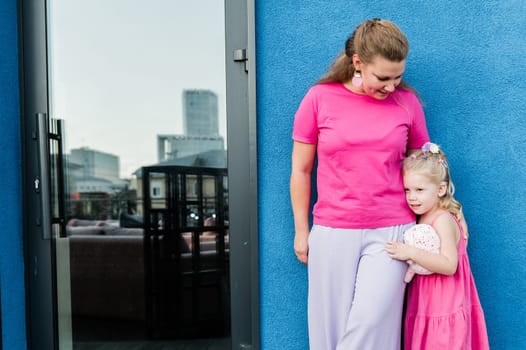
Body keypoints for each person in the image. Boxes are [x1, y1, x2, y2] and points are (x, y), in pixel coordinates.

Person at [290, 18, 430, 349]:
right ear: (357, 63)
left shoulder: (407, 103)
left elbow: (421, 168)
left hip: (392, 232)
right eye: (383, 77)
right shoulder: (319, 98)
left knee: (372, 325)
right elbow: (301, 170)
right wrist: (301, 229)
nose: (392, 86)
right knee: (329, 332)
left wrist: (445, 214)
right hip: (332, 229)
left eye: (398, 77)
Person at [385, 143, 490, 349]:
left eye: (419, 190)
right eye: (407, 190)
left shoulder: (442, 219)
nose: (412, 197)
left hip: (446, 305)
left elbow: (450, 264)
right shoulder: (421, 216)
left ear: (441, 189)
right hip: (427, 304)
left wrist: (410, 252)